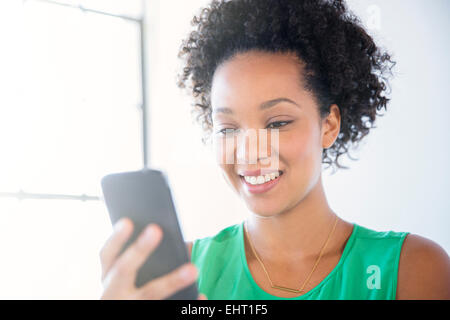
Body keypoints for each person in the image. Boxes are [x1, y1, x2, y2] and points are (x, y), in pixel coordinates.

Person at [99, 0, 450, 300]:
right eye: (228, 128)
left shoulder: (413, 270)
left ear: (328, 125)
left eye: (277, 123)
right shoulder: (183, 277)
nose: (250, 152)